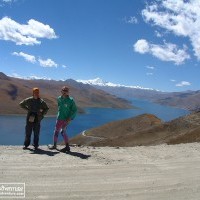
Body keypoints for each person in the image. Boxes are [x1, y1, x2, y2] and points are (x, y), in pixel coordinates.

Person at [49, 86, 77, 152]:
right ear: (61, 91)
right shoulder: (59, 98)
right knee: (56, 131)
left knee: (63, 132)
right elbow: (59, 107)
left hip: (66, 119)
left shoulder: (71, 100)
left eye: (66, 91)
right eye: (63, 90)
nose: (64, 92)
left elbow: (74, 110)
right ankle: (54, 145)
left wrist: (70, 118)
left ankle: (67, 147)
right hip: (59, 118)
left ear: (68, 92)